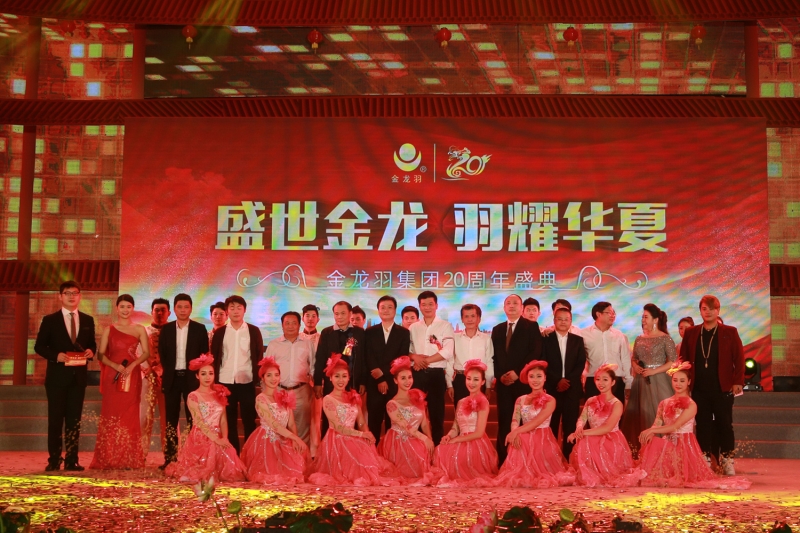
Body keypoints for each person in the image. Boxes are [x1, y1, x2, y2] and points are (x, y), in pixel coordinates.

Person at [638, 362, 751, 489]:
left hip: (684, 445)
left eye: (682, 381)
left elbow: (675, 426)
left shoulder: (691, 405)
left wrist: (651, 431)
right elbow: (657, 423)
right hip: (668, 445)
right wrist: (651, 432)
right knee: (653, 445)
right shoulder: (664, 402)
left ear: (689, 382)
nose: (678, 384)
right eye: (675, 380)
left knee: (685, 478)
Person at [309, 353, 400, 486]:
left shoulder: (353, 396)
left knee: (370, 465)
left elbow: (361, 422)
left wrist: (367, 434)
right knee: (355, 470)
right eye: (337, 376)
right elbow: (338, 427)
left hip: (354, 438)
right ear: (330, 378)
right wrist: (362, 435)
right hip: (337, 440)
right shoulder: (328, 399)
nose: (341, 380)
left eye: (344, 376)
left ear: (349, 378)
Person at [34, 281, 97, 472]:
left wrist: (91, 351)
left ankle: (72, 460)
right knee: (55, 420)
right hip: (57, 379)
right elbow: (39, 346)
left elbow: (92, 344)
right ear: (60, 296)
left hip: (78, 378)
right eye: (67, 293)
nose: (71, 296)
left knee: (74, 421)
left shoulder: (88, 320)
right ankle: (54, 459)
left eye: (75, 293)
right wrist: (56, 356)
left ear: (80, 296)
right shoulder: (50, 320)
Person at [679, 295, 745, 476]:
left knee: (725, 424)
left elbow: (739, 358)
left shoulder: (730, 332)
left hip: (723, 388)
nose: (708, 312)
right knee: (702, 424)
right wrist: (684, 382)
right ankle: (705, 458)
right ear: (700, 311)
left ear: (718, 311)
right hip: (699, 388)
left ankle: (727, 459)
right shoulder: (692, 332)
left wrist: (738, 381)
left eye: (712, 309)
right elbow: (683, 359)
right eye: (704, 309)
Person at [90, 294, 151, 470]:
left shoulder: (139, 329)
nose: (125, 310)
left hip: (131, 375)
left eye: (128, 306)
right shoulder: (109, 329)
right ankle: (109, 458)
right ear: (117, 308)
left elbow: (146, 353)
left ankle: (128, 458)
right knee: (111, 415)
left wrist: (132, 365)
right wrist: (115, 366)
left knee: (130, 414)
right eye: (122, 306)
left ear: (133, 308)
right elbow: (101, 355)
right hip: (113, 376)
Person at [493, 360, 575, 488]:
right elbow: (515, 420)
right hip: (524, 435)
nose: (535, 380)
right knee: (520, 441)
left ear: (545, 378)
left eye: (539, 376)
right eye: (531, 376)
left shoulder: (550, 400)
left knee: (524, 440)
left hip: (542, 438)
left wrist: (516, 432)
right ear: (527, 379)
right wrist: (514, 432)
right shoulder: (521, 399)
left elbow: (536, 422)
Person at [165, 354, 247, 482]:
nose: (207, 377)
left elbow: (223, 419)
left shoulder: (219, 393)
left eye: (210, 373)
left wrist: (224, 438)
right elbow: (199, 422)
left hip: (218, 435)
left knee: (234, 470)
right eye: (203, 374)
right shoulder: (193, 396)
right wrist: (215, 439)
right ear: (197, 376)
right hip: (201, 436)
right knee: (202, 471)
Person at [567, 364, 645, 488]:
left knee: (586, 439)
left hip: (610, 440)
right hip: (593, 437)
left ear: (613, 382)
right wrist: (579, 428)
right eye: (598, 379)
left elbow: (607, 428)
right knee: (585, 440)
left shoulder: (616, 403)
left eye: (605, 379)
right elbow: (582, 418)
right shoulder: (591, 400)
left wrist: (581, 433)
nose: (601, 383)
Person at [159, 293, 209, 470]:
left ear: (191, 309)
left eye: (186, 307)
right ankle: (170, 458)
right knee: (170, 420)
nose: (182, 310)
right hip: (172, 379)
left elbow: (204, 355)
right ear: (174, 309)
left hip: (191, 380)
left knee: (193, 419)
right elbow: (163, 354)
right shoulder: (166, 329)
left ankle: (193, 457)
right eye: (179, 307)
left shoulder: (199, 329)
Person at [491, 294, 542, 465]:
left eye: (515, 303)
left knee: (523, 422)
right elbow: (494, 356)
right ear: (504, 308)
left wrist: (518, 373)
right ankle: (503, 462)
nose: (511, 306)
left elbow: (535, 352)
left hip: (523, 383)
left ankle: (524, 461)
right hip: (503, 384)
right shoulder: (497, 329)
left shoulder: (531, 326)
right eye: (508, 303)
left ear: (521, 308)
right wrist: (500, 375)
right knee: (504, 421)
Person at [240, 356, 308, 484]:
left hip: (284, 439)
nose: (273, 379)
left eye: (276, 375)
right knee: (271, 474)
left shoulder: (284, 397)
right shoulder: (261, 399)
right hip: (267, 439)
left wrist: (294, 440)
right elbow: (274, 425)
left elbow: (291, 423)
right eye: (269, 375)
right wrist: (295, 438)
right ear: (263, 378)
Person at [210, 295, 264, 453]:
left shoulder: (253, 331)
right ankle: (233, 456)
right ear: (227, 311)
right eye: (232, 308)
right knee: (229, 421)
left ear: (244, 310)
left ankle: (249, 454)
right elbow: (214, 356)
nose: (235, 311)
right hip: (224, 382)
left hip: (247, 381)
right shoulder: (220, 333)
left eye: (239, 308)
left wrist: (258, 378)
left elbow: (258, 355)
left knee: (249, 420)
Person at [621, 303, 677, 452]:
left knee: (658, 415)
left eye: (646, 317)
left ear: (655, 320)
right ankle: (644, 452)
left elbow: (672, 362)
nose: (643, 320)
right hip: (641, 381)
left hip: (659, 381)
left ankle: (662, 451)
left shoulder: (665, 338)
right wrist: (635, 365)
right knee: (641, 415)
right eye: (642, 317)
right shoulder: (639, 338)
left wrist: (654, 371)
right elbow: (634, 358)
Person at [433, 359, 498, 487]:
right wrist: (449, 436)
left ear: (483, 382)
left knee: (463, 460)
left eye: (476, 379)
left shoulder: (483, 401)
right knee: (440, 449)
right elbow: (456, 427)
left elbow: (479, 433)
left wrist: (457, 440)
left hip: (476, 443)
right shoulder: (461, 401)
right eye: (469, 379)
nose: (471, 383)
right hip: (461, 440)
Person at [378, 356, 436, 485]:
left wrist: (429, 440)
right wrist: (424, 439)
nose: (407, 381)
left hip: (417, 439)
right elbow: (405, 426)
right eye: (403, 378)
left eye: (409, 377)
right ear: (396, 380)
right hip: (399, 441)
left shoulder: (417, 397)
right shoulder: (392, 404)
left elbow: (424, 423)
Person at [313, 301, 366, 440]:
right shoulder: (327, 332)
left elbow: (363, 358)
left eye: (343, 313)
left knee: (352, 416)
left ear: (350, 314)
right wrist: (318, 382)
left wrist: (362, 381)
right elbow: (320, 359)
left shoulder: (359, 333)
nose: (340, 317)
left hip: (352, 383)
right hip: (332, 384)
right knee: (330, 418)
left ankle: (352, 446)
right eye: (336, 314)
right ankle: (328, 446)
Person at [408, 291, 455, 446]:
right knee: (415, 416)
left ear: (436, 305)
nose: (427, 307)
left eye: (430, 304)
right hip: (417, 375)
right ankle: (419, 449)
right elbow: (407, 350)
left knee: (436, 416)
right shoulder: (413, 327)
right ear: (419, 306)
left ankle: (437, 450)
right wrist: (414, 357)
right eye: (423, 304)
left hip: (436, 375)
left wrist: (425, 361)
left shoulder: (445, 326)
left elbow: (448, 351)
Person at [264, 311, 315, 445]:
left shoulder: (307, 344)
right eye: (287, 323)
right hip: (278, 391)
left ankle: (301, 455)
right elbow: (265, 369)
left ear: (299, 325)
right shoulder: (274, 344)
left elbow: (313, 366)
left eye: (294, 323)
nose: (290, 326)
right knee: (278, 427)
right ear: (282, 325)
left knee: (302, 427)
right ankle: (281, 455)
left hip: (301, 391)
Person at [365, 296, 411, 445]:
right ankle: (372, 453)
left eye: (389, 307)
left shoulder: (403, 333)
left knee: (394, 423)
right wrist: (379, 378)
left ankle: (392, 452)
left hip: (394, 383)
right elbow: (368, 356)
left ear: (395, 310)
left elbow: (401, 358)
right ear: (378, 310)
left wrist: (383, 373)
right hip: (374, 383)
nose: (386, 310)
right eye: (382, 307)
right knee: (374, 422)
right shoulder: (370, 332)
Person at [542, 307, 586, 459]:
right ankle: (551, 459)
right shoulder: (545, 339)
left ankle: (569, 459)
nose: (562, 322)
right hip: (551, 389)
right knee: (551, 425)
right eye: (559, 319)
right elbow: (543, 362)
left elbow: (580, 363)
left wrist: (567, 381)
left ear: (571, 322)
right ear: (554, 321)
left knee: (570, 426)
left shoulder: (577, 340)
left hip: (571, 389)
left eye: (566, 319)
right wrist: (557, 380)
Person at [581, 302, 631, 404]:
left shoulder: (619, 335)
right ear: (598, 314)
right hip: (594, 379)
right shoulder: (583, 334)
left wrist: (629, 383)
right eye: (609, 313)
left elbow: (626, 359)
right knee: (593, 410)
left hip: (616, 379)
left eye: (614, 313)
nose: (613, 316)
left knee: (616, 411)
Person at [139, 298, 170, 458]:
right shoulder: (143, 331)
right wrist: (148, 371)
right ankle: (141, 453)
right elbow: (137, 353)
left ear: (169, 313)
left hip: (168, 379)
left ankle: (170, 454)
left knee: (169, 418)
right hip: (147, 379)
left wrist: (162, 370)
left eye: (163, 310)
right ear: (151, 312)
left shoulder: (173, 331)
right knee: (144, 416)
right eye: (156, 310)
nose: (159, 313)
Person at [448, 304, 494, 407]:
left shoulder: (486, 339)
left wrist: (488, 386)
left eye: (473, 316)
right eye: (466, 316)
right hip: (460, 379)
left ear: (479, 319)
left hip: (479, 379)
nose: (470, 319)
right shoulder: (455, 338)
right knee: (460, 412)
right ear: (462, 319)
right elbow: (450, 361)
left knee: (478, 412)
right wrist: (449, 384)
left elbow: (489, 361)